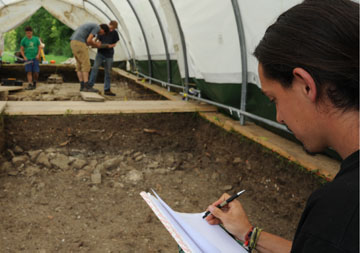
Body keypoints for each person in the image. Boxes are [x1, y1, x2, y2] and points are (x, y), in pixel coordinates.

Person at [205, 0, 359, 252]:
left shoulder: (342, 209)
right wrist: (249, 234)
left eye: (274, 99)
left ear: (305, 85)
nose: (278, 117)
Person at [70, 22, 109, 92]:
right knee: (86, 64)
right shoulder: (97, 27)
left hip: (73, 42)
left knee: (79, 65)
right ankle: (87, 86)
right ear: (103, 30)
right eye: (103, 34)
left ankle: (82, 86)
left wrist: (94, 44)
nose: (101, 35)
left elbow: (87, 42)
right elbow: (89, 40)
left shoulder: (88, 26)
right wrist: (97, 44)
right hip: (79, 43)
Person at [88, 20, 119, 96]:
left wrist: (110, 46)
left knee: (108, 72)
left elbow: (115, 43)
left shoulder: (115, 33)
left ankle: (107, 89)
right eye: (111, 28)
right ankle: (89, 86)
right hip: (100, 53)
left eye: (113, 29)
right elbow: (96, 41)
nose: (111, 30)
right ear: (109, 25)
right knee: (95, 69)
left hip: (109, 55)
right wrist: (97, 44)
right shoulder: (102, 31)